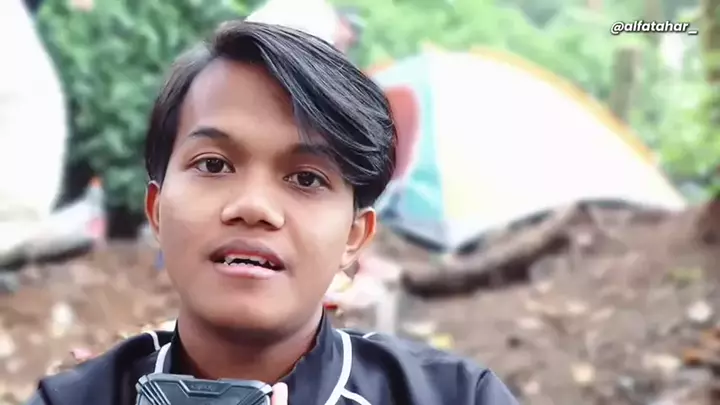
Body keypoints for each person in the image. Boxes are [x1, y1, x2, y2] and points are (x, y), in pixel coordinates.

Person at [25, 21, 519, 405]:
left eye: (307, 179)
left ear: (354, 236)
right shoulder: (70, 401)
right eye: (214, 164)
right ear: (156, 211)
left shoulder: (457, 396)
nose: (254, 207)